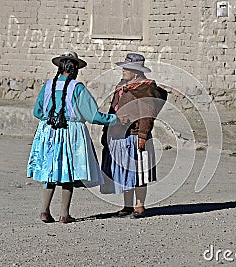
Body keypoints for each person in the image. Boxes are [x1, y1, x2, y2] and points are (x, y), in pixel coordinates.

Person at [27, 51, 124, 223]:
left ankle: (44, 210)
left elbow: (37, 112)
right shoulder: (78, 88)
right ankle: (64, 213)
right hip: (70, 133)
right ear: (75, 69)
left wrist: (51, 119)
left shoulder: (48, 86)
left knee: (51, 170)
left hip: (48, 132)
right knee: (67, 171)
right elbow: (93, 116)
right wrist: (115, 119)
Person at [100, 53, 167, 219]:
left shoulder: (145, 90)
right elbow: (113, 109)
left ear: (136, 72)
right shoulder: (122, 86)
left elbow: (147, 115)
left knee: (138, 173)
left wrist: (143, 135)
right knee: (126, 172)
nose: (123, 70)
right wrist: (106, 130)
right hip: (121, 136)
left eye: (127, 68)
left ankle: (139, 205)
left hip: (135, 136)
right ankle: (127, 205)